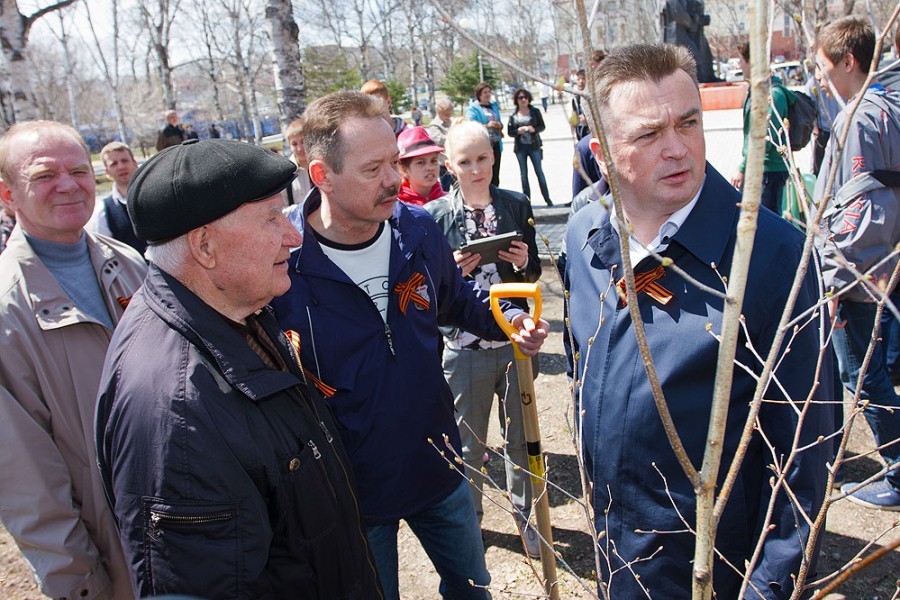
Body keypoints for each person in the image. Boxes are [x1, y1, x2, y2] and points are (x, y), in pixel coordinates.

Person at [565, 43, 832, 596]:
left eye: (688, 123)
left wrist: (766, 588)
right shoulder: (585, 232)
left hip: (715, 571)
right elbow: (584, 368)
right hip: (616, 554)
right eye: (647, 134)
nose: (677, 150)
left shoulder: (772, 261)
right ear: (601, 151)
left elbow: (804, 465)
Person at [269, 91, 549, 600]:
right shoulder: (282, 258)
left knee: (471, 589)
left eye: (394, 163)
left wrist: (511, 321)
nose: (395, 180)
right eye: (373, 168)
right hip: (349, 488)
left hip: (437, 463)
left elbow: (459, 302)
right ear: (321, 176)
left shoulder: (417, 228)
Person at [96, 139, 382, 598]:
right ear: (204, 246)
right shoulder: (179, 414)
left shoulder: (238, 308)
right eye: (271, 218)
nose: (291, 234)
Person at [0, 120, 147, 600]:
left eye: (79, 171)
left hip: (186, 532)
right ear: (8, 195)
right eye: (43, 176)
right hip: (110, 555)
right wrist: (80, 586)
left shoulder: (129, 263)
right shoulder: (7, 311)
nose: (68, 185)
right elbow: (28, 484)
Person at [424, 120, 542, 558]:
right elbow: (427, 292)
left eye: (483, 158)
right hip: (464, 347)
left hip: (515, 342)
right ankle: (469, 525)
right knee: (468, 444)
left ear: (494, 156)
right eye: (464, 161)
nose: (476, 169)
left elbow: (533, 278)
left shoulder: (514, 204)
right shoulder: (435, 216)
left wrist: (525, 261)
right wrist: (451, 272)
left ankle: (527, 517)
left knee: (521, 439)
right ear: (449, 166)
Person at [814, 16, 900, 510]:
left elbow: (856, 207)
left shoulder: (858, 118)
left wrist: (833, 277)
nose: (821, 77)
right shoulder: (889, 107)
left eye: (826, 66)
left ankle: (898, 472)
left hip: (856, 271)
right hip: (882, 261)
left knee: (861, 375)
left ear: (849, 61)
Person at [730, 42, 791, 215]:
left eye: (742, 61)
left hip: (768, 171)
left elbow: (765, 138)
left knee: (765, 224)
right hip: (759, 168)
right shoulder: (756, 90)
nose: (739, 65)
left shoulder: (773, 94)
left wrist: (742, 168)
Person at [90, 141, 145, 255]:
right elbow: (104, 253)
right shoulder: (103, 211)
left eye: (124, 161)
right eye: (113, 163)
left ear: (135, 163)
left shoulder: (157, 197)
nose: (121, 167)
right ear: (106, 171)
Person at [507, 88, 552, 206]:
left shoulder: (535, 111)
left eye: (525, 97)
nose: (523, 100)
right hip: (520, 148)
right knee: (523, 174)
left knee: (539, 172)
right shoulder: (513, 114)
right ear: (516, 100)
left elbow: (542, 126)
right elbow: (510, 132)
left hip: (534, 146)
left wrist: (534, 130)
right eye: (520, 98)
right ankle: (526, 200)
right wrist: (517, 131)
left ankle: (547, 198)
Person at [466, 81, 503, 187]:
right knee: (485, 171)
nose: (487, 94)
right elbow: (471, 125)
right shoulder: (473, 109)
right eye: (485, 92)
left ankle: (496, 192)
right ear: (479, 95)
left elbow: (499, 121)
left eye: (489, 92)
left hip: (496, 143)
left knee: (495, 172)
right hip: (483, 144)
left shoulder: (494, 106)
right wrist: (487, 125)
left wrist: (498, 125)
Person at [397, 126, 445, 205]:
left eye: (433, 161)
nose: (430, 168)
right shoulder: (396, 207)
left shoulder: (449, 202)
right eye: (421, 162)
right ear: (405, 170)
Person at [805, 74, 842, 176]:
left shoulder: (839, 80)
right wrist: (815, 128)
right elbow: (810, 108)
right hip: (824, 131)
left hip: (838, 130)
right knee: (821, 169)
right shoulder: (813, 84)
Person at [425, 97, 455, 191]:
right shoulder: (434, 125)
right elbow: (438, 139)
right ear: (440, 112)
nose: (449, 115)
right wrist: (454, 136)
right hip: (442, 162)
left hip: (453, 159)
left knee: (457, 184)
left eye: (450, 113)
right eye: (446, 114)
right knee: (445, 186)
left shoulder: (450, 122)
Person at [285, 116, 313, 205]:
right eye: (294, 144)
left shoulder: (324, 168)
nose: (300, 148)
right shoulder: (286, 175)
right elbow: (281, 210)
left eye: (303, 142)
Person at [570, 69, 590, 140]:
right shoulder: (575, 98)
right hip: (580, 135)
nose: (581, 81)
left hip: (591, 134)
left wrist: (588, 121)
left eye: (583, 79)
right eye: (578, 79)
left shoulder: (592, 98)